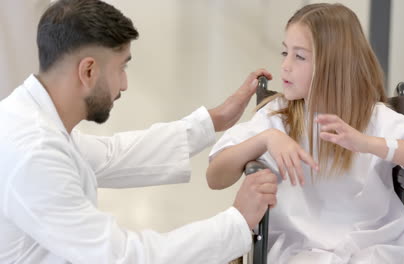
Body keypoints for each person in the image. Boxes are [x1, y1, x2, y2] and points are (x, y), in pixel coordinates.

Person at [0, 0, 279, 263]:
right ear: (88, 71)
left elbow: (112, 155)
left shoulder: (31, 117)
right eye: (121, 68)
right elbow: (124, 257)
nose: (124, 84)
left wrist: (214, 120)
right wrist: (237, 221)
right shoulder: (34, 154)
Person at [207, 3, 404, 263]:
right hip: (299, 248)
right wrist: (265, 140)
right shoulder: (278, 118)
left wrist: (368, 144)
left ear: (333, 65)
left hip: (376, 244)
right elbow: (216, 176)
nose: (285, 66)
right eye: (285, 52)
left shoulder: (374, 117)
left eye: (299, 56)